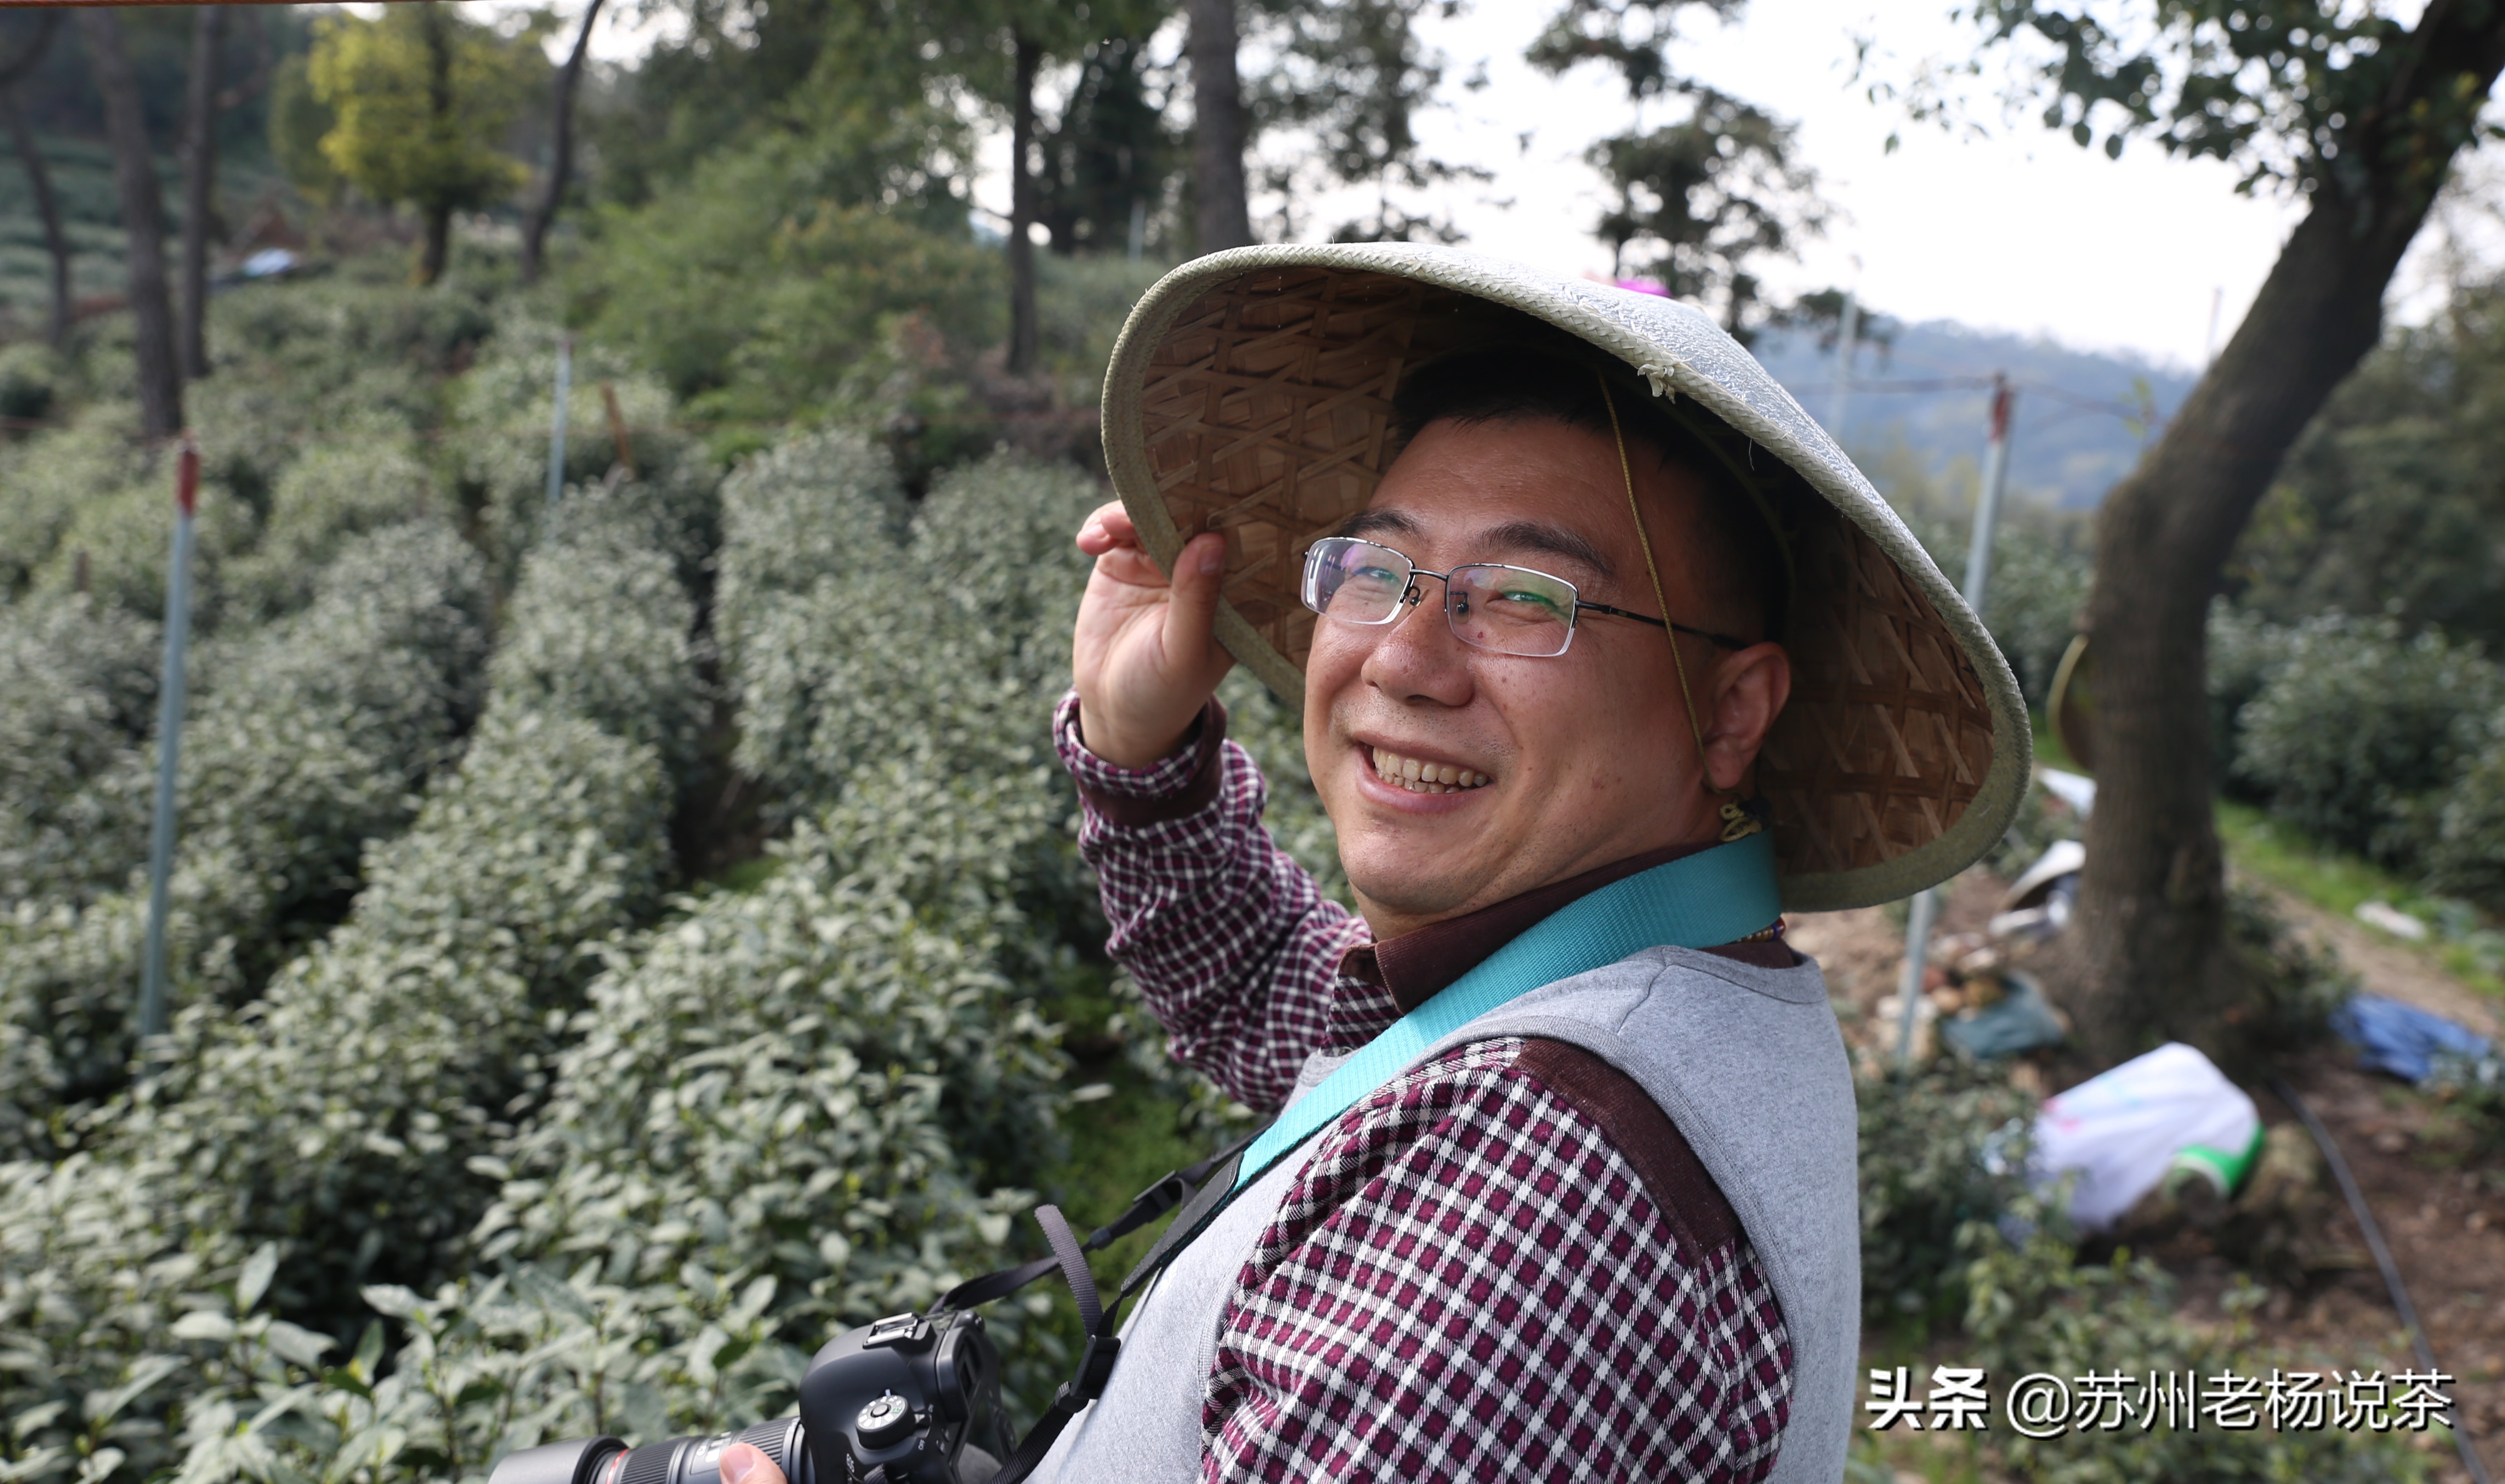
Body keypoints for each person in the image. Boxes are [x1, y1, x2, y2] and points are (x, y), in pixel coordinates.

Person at [721, 246, 2027, 1484]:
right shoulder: (1628, 989)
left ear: (1733, 712)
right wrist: (1144, 750)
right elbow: (1290, 1001)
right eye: (1379, 567)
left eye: (1526, 596)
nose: (1403, 657)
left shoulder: (1528, 1211)